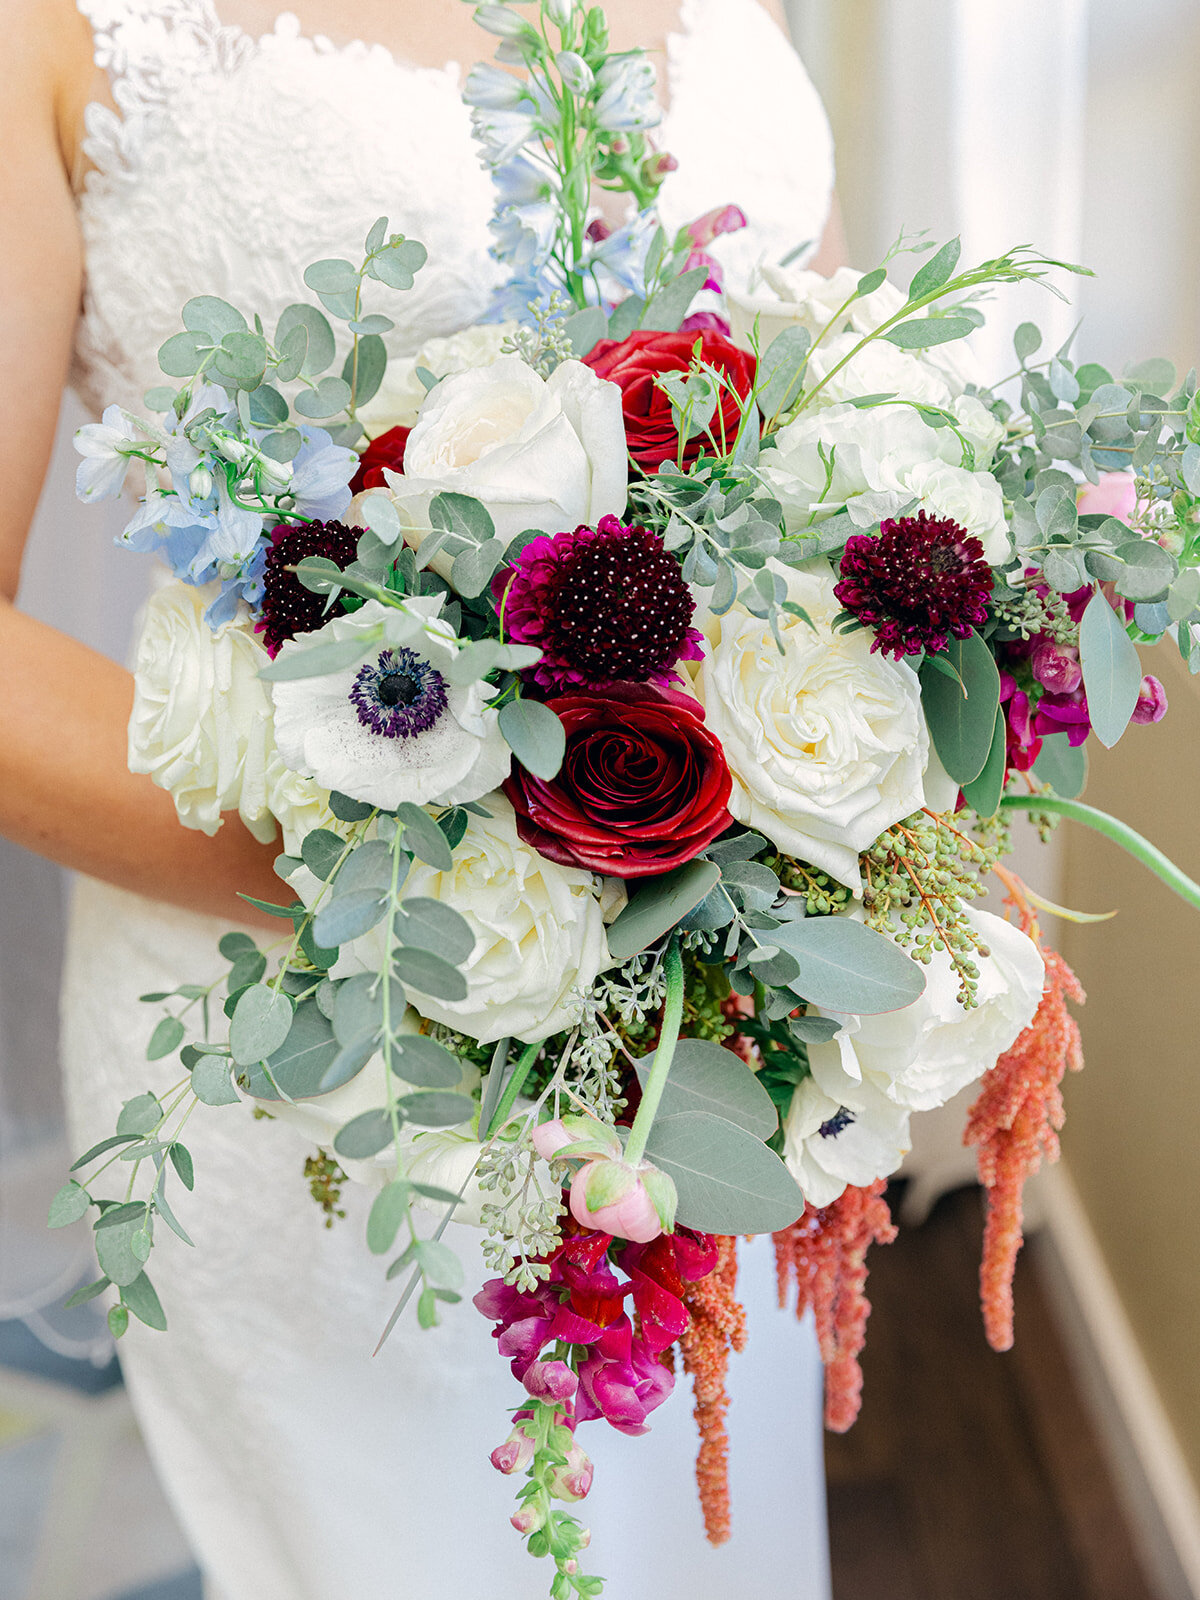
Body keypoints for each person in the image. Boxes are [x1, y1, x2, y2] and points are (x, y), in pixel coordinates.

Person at [2, 2, 842, 1594]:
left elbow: (839, 402)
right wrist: (459, 889)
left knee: (699, 1527)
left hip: (716, 1018)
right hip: (310, 1031)